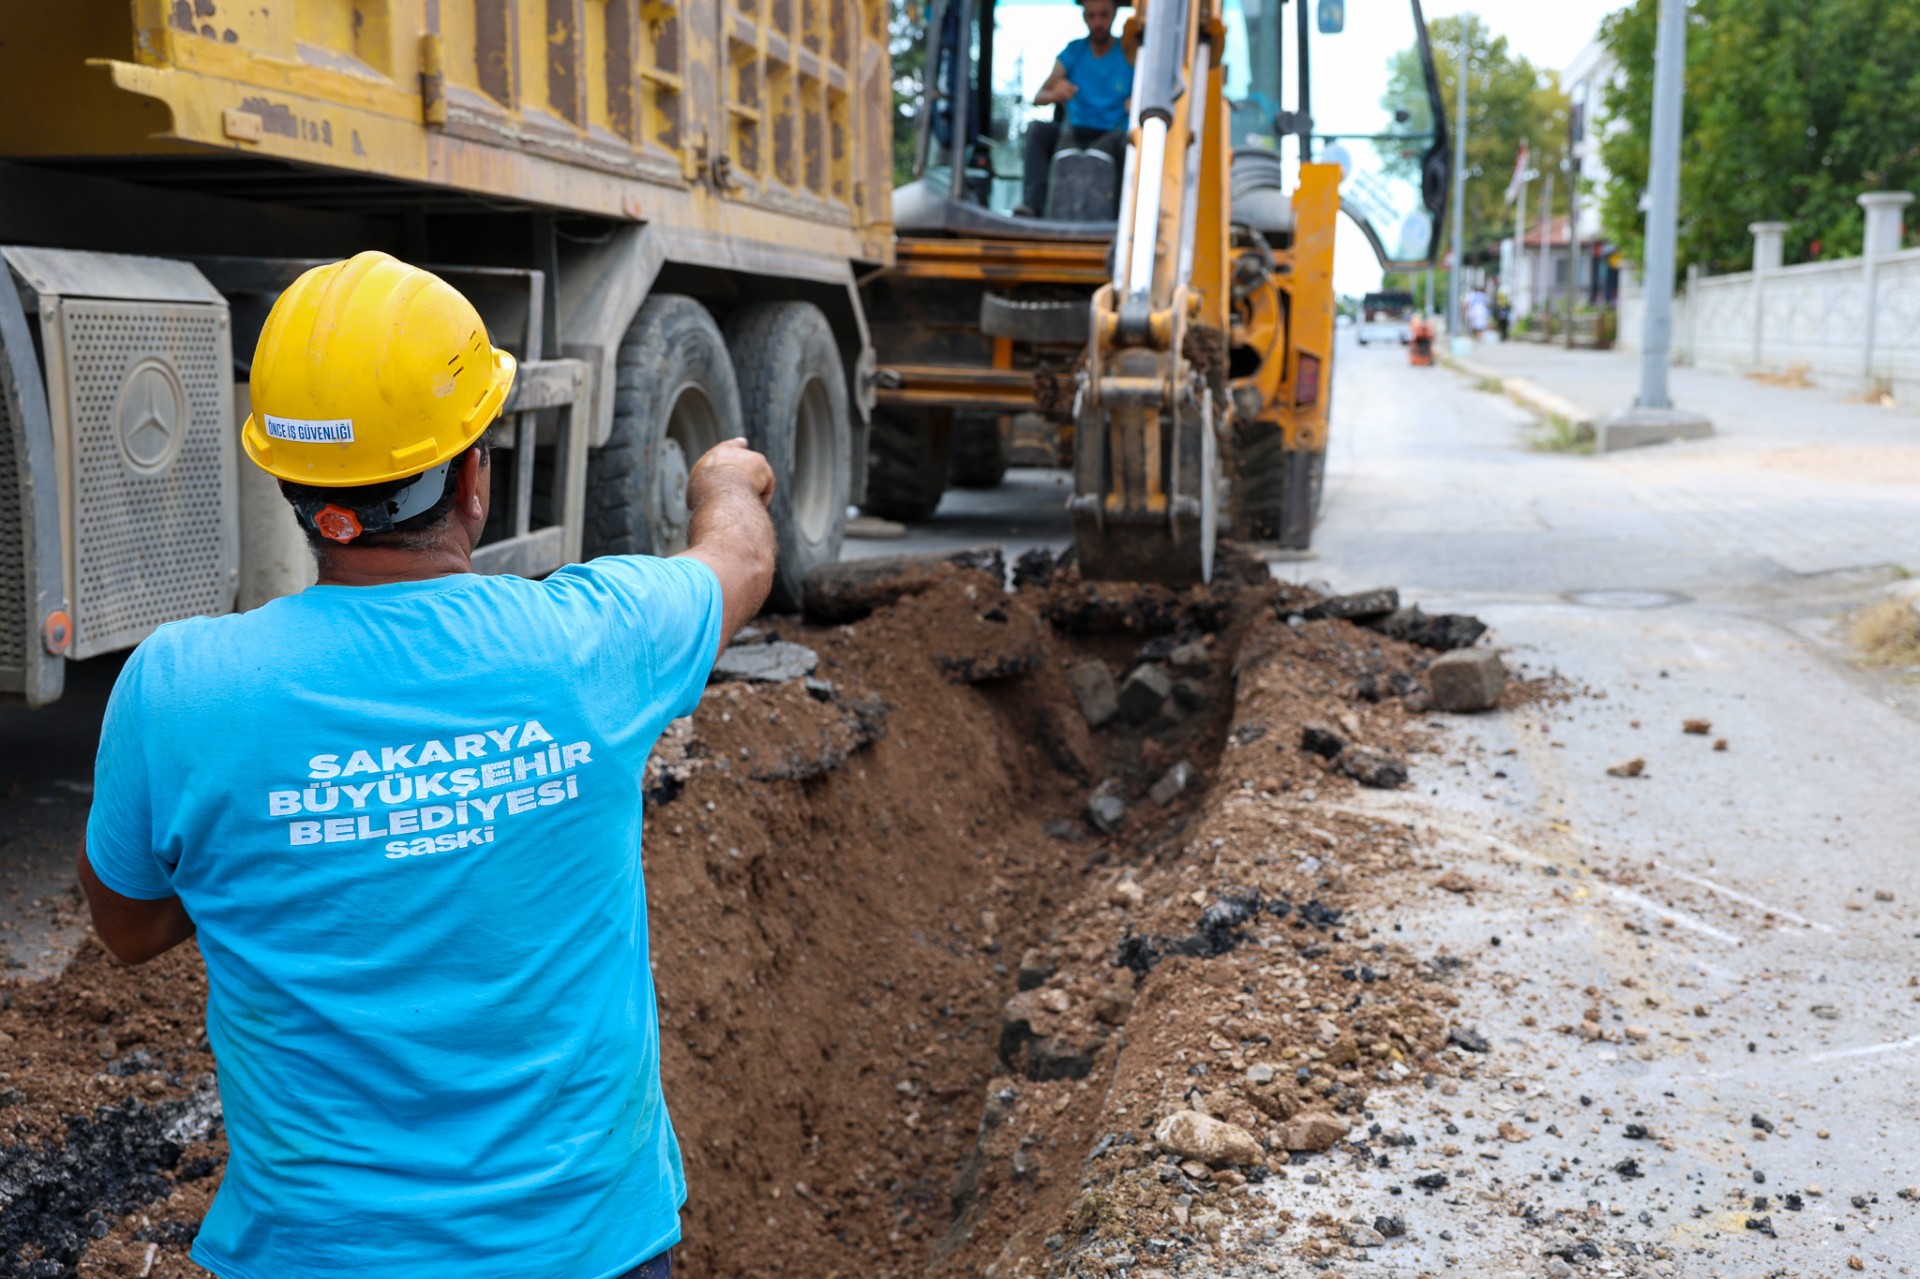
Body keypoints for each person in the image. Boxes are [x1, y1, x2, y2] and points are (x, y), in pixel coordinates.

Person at [76, 252, 776, 1279]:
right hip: (586, 1249)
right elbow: (741, 561)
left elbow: (129, 928)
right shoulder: (593, 641)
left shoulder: (179, 688)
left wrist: (300, 839)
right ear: (471, 474)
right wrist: (724, 480)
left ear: (291, 486)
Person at [1015, 0, 1132, 217]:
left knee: (1132, 143)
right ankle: (1032, 206)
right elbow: (1038, 97)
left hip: (1113, 135)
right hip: (1074, 131)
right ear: (1085, 17)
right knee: (1037, 130)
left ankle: (1122, 216)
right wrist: (1055, 94)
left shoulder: (1128, 54)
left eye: (1104, 15)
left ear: (1114, 15)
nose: (1098, 22)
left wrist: (1137, 101)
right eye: (1092, 16)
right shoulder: (1073, 52)